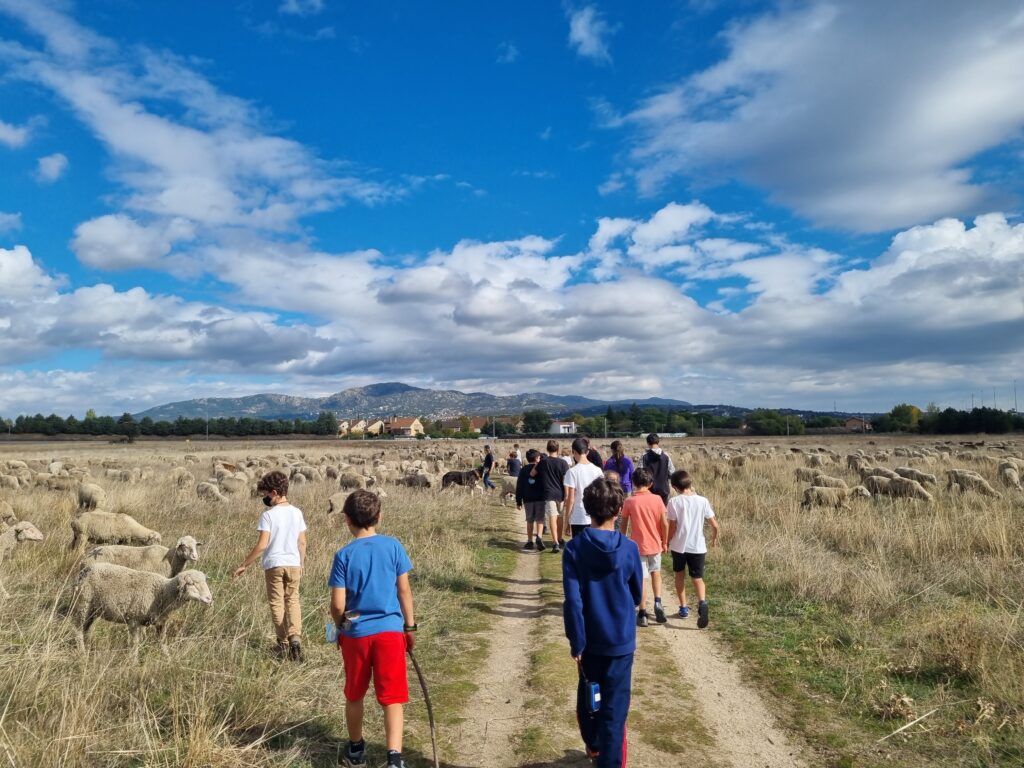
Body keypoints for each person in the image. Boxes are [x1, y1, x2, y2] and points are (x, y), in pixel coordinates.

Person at [329, 490, 417, 768]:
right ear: (379, 516)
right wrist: (410, 626)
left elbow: (337, 603)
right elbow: (404, 591)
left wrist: (340, 626)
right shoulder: (393, 546)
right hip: (391, 632)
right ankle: (394, 758)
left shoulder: (343, 555)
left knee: (354, 693)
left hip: (356, 634)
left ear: (346, 520)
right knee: (391, 697)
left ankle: (356, 752)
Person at [563, 478, 643, 768]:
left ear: (586, 508)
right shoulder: (629, 549)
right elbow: (636, 593)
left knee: (589, 698)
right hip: (621, 641)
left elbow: (573, 601)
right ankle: (608, 759)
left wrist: (577, 642)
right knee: (615, 708)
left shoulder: (574, 549)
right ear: (619, 509)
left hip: (590, 641)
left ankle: (594, 745)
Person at [232, 470, 308, 661]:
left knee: (276, 602)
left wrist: (244, 565)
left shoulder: (268, 515)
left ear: (274, 492)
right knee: (293, 600)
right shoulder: (297, 512)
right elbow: (302, 542)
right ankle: (296, 638)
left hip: (274, 564)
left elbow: (262, 545)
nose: (265, 498)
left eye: (266, 494)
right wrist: (301, 562)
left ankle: (283, 643)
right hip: (293, 563)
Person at [666, 470, 720, 629]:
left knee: (679, 575)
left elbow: (672, 526)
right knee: (697, 578)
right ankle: (702, 602)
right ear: (690, 484)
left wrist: (667, 541)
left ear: (674, 487)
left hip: (679, 546)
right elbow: (715, 525)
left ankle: (683, 608)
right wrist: (714, 538)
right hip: (698, 546)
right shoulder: (703, 501)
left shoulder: (674, 502)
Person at [618, 468, 669, 627]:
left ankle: (642, 612)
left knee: (641, 579)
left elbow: (624, 523)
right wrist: (665, 541)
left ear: (633, 483)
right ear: (651, 483)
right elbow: (664, 523)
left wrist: (622, 540)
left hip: (637, 547)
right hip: (655, 544)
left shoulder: (630, 501)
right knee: (656, 573)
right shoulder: (658, 499)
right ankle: (658, 602)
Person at [562, 437, 605, 540]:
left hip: (579, 516)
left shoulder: (572, 472)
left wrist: (567, 520)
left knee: (580, 550)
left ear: (574, 452)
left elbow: (570, 499)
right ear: (588, 451)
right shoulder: (598, 470)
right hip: (595, 515)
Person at [533, 440, 569, 552]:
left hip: (548, 493)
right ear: (558, 450)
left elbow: (533, 473)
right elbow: (565, 481)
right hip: (561, 494)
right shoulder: (563, 463)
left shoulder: (543, 462)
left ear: (547, 449)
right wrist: (567, 495)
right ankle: (560, 538)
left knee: (552, 518)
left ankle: (555, 543)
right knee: (560, 518)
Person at [515, 449, 546, 550]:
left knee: (529, 520)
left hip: (527, 499)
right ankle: (539, 537)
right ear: (537, 458)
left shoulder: (523, 470)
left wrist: (518, 500)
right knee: (540, 519)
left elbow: (519, 486)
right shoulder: (541, 469)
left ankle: (529, 541)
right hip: (540, 498)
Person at [639, 433, 675, 506]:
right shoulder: (666, 456)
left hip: (648, 489)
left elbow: (639, 473)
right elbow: (672, 472)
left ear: (648, 443)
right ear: (658, 442)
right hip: (663, 489)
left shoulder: (644, 456)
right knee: (663, 512)